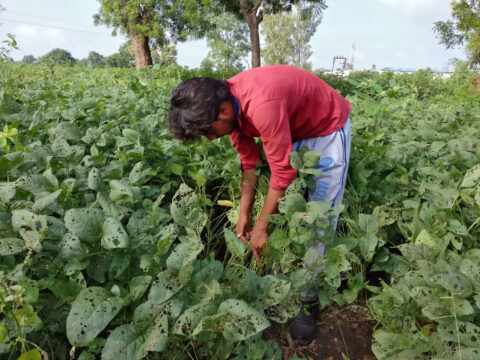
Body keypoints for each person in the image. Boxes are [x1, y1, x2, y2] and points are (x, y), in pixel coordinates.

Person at [168, 65, 351, 341]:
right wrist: (244, 214)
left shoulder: (261, 104)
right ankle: (284, 268)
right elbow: (249, 163)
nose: (210, 137)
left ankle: (307, 296)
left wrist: (262, 227)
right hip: (292, 124)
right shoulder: (226, 107)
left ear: (223, 112)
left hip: (326, 128)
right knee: (288, 209)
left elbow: (283, 172)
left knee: (320, 218)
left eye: (208, 131)